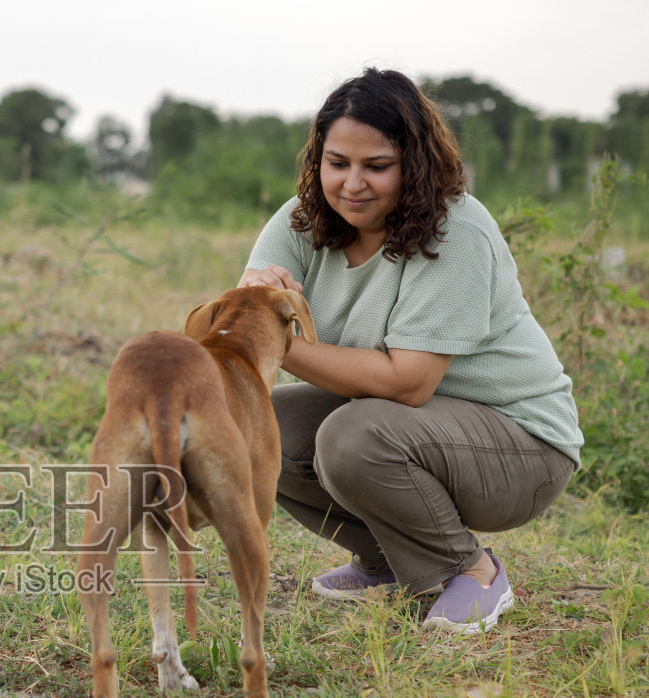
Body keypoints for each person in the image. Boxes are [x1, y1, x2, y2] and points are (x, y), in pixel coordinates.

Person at [239, 67, 582, 635]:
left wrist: (280, 340)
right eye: (337, 163)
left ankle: (470, 571)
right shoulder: (302, 218)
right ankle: (388, 563)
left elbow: (408, 383)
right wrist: (254, 300)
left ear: (415, 164)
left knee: (353, 436)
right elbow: (245, 311)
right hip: (414, 429)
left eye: (377, 167)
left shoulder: (456, 229)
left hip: (521, 447)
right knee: (259, 423)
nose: (352, 184)